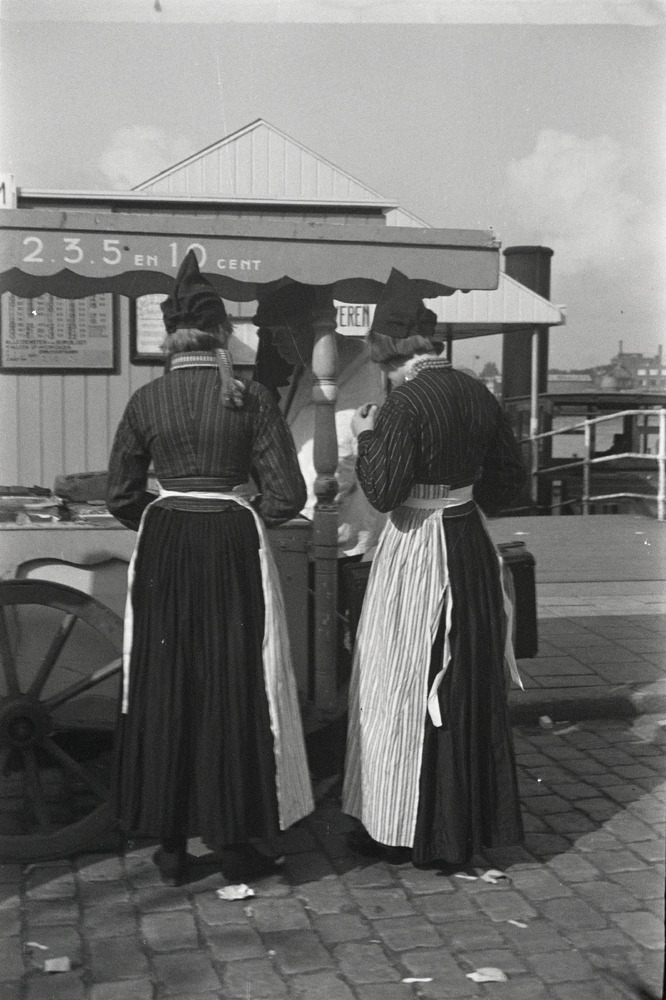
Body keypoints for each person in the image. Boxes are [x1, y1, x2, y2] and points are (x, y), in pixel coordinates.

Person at [107, 251, 313, 885]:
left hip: (166, 542)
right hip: (230, 544)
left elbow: (120, 495)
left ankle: (170, 846)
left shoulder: (146, 400)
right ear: (223, 333)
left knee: (165, 681)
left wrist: (165, 517)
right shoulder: (251, 399)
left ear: (169, 336)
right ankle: (232, 844)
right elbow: (287, 497)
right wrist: (240, 512)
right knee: (231, 682)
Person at [342, 268, 527, 870]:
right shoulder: (477, 392)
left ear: (386, 350)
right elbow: (511, 480)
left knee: (400, 678)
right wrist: (464, 504)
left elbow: (384, 492)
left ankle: (402, 826)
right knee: (465, 680)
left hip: (418, 546)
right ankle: (463, 826)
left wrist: (366, 436)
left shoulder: (402, 404)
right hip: (469, 542)